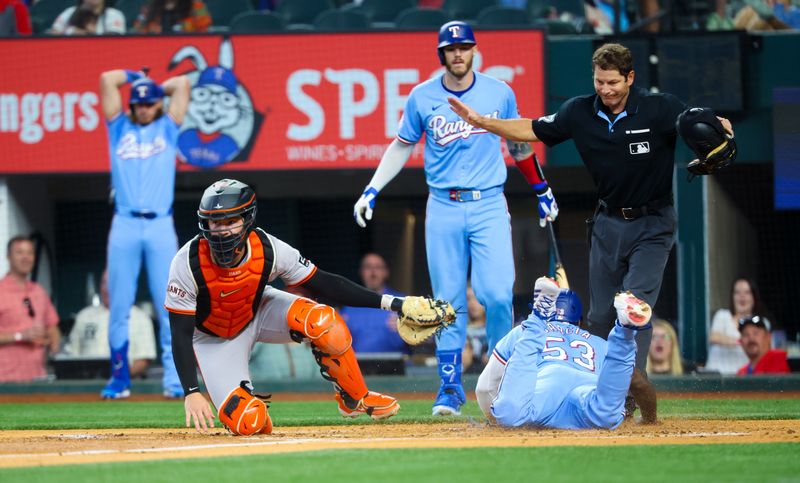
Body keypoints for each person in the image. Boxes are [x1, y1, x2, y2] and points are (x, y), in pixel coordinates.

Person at [448, 42, 735, 423]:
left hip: (654, 223)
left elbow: (696, 123)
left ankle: (629, 391)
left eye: (614, 82)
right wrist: (484, 123)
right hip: (607, 223)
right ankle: (591, 388)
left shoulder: (658, 108)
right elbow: (531, 129)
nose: (606, 89)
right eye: (600, 81)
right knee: (600, 316)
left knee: (634, 308)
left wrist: (720, 127)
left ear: (630, 78)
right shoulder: (579, 112)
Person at [353, 20, 559, 417]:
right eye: (450, 49)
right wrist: (372, 188)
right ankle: (450, 388)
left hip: (488, 203)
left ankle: (501, 381)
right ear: (442, 54)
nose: (458, 54)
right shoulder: (422, 96)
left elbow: (518, 143)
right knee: (447, 301)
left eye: (464, 47)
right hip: (443, 205)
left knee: (498, 294)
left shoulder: (499, 92)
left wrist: (541, 189)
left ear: (474, 50)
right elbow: (400, 146)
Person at [165, 179, 450, 435]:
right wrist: (191, 390)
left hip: (258, 309)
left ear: (246, 218)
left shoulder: (268, 248)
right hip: (214, 338)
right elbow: (179, 333)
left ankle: (354, 398)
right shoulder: (186, 262)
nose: (222, 231)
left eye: (229, 222)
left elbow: (324, 283)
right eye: (215, 223)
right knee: (250, 424)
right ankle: (246, 405)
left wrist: (394, 303)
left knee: (324, 321)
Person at [99, 67, 191, 399]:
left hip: (159, 225)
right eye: (138, 103)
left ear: (157, 104)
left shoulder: (167, 127)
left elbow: (182, 83)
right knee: (119, 303)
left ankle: (174, 378)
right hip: (124, 222)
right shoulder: (117, 126)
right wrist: (134, 76)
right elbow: (107, 79)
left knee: (170, 302)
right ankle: (120, 378)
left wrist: (151, 87)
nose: (142, 108)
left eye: (148, 103)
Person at [476, 277, 652, 429]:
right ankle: (625, 332)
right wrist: (650, 420)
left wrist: (496, 420)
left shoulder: (520, 331)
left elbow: (485, 388)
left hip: (546, 385)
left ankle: (537, 317)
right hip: (587, 386)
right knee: (606, 417)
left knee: (510, 415)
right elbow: (638, 383)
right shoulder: (599, 343)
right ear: (579, 321)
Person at [62, 270, 156, 378]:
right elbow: (71, 355)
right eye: (103, 283)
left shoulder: (140, 318)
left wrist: (118, 378)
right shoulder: (84, 316)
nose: (106, 288)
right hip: (86, 386)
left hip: (127, 386)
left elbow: (144, 360)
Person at [0, 236, 60, 382]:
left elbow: (52, 325)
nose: (25, 257)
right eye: (19, 252)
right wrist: (20, 336)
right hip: (6, 379)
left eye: (30, 253)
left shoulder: (39, 291)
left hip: (38, 377)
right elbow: (22, 335)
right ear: (8, 257)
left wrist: (53, 341)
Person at [339, 253, 409, 355]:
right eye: (368, 267)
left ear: (386, 272)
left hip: (397, 367)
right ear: (361, 272)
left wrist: (409, 326)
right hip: (359, 367)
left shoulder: (401, 301)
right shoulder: (350, 304)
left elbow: (427, 338)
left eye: (378, 267)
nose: (373, 272)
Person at [706, 277, 761, 375]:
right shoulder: (722, 315)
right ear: (732, 296)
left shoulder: (760, 322)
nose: (742, 297)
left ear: (754, 297)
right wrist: (743, 342)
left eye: (747, 292)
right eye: (737, 292)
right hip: (717, 377)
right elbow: (714, 337)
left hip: (743, 379)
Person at [50, 0, 125, 35]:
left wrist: (91, 34)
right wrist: (71, 32)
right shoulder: (69, 12)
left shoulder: (114, 14)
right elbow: (54, 32)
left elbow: (115, 39)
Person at [133, 0, 211, 33]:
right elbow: (138, 31)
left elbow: (204, 28)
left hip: (183, 49)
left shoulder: (193, 7)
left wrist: (197, 3)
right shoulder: (150, 9)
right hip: (155, 51)